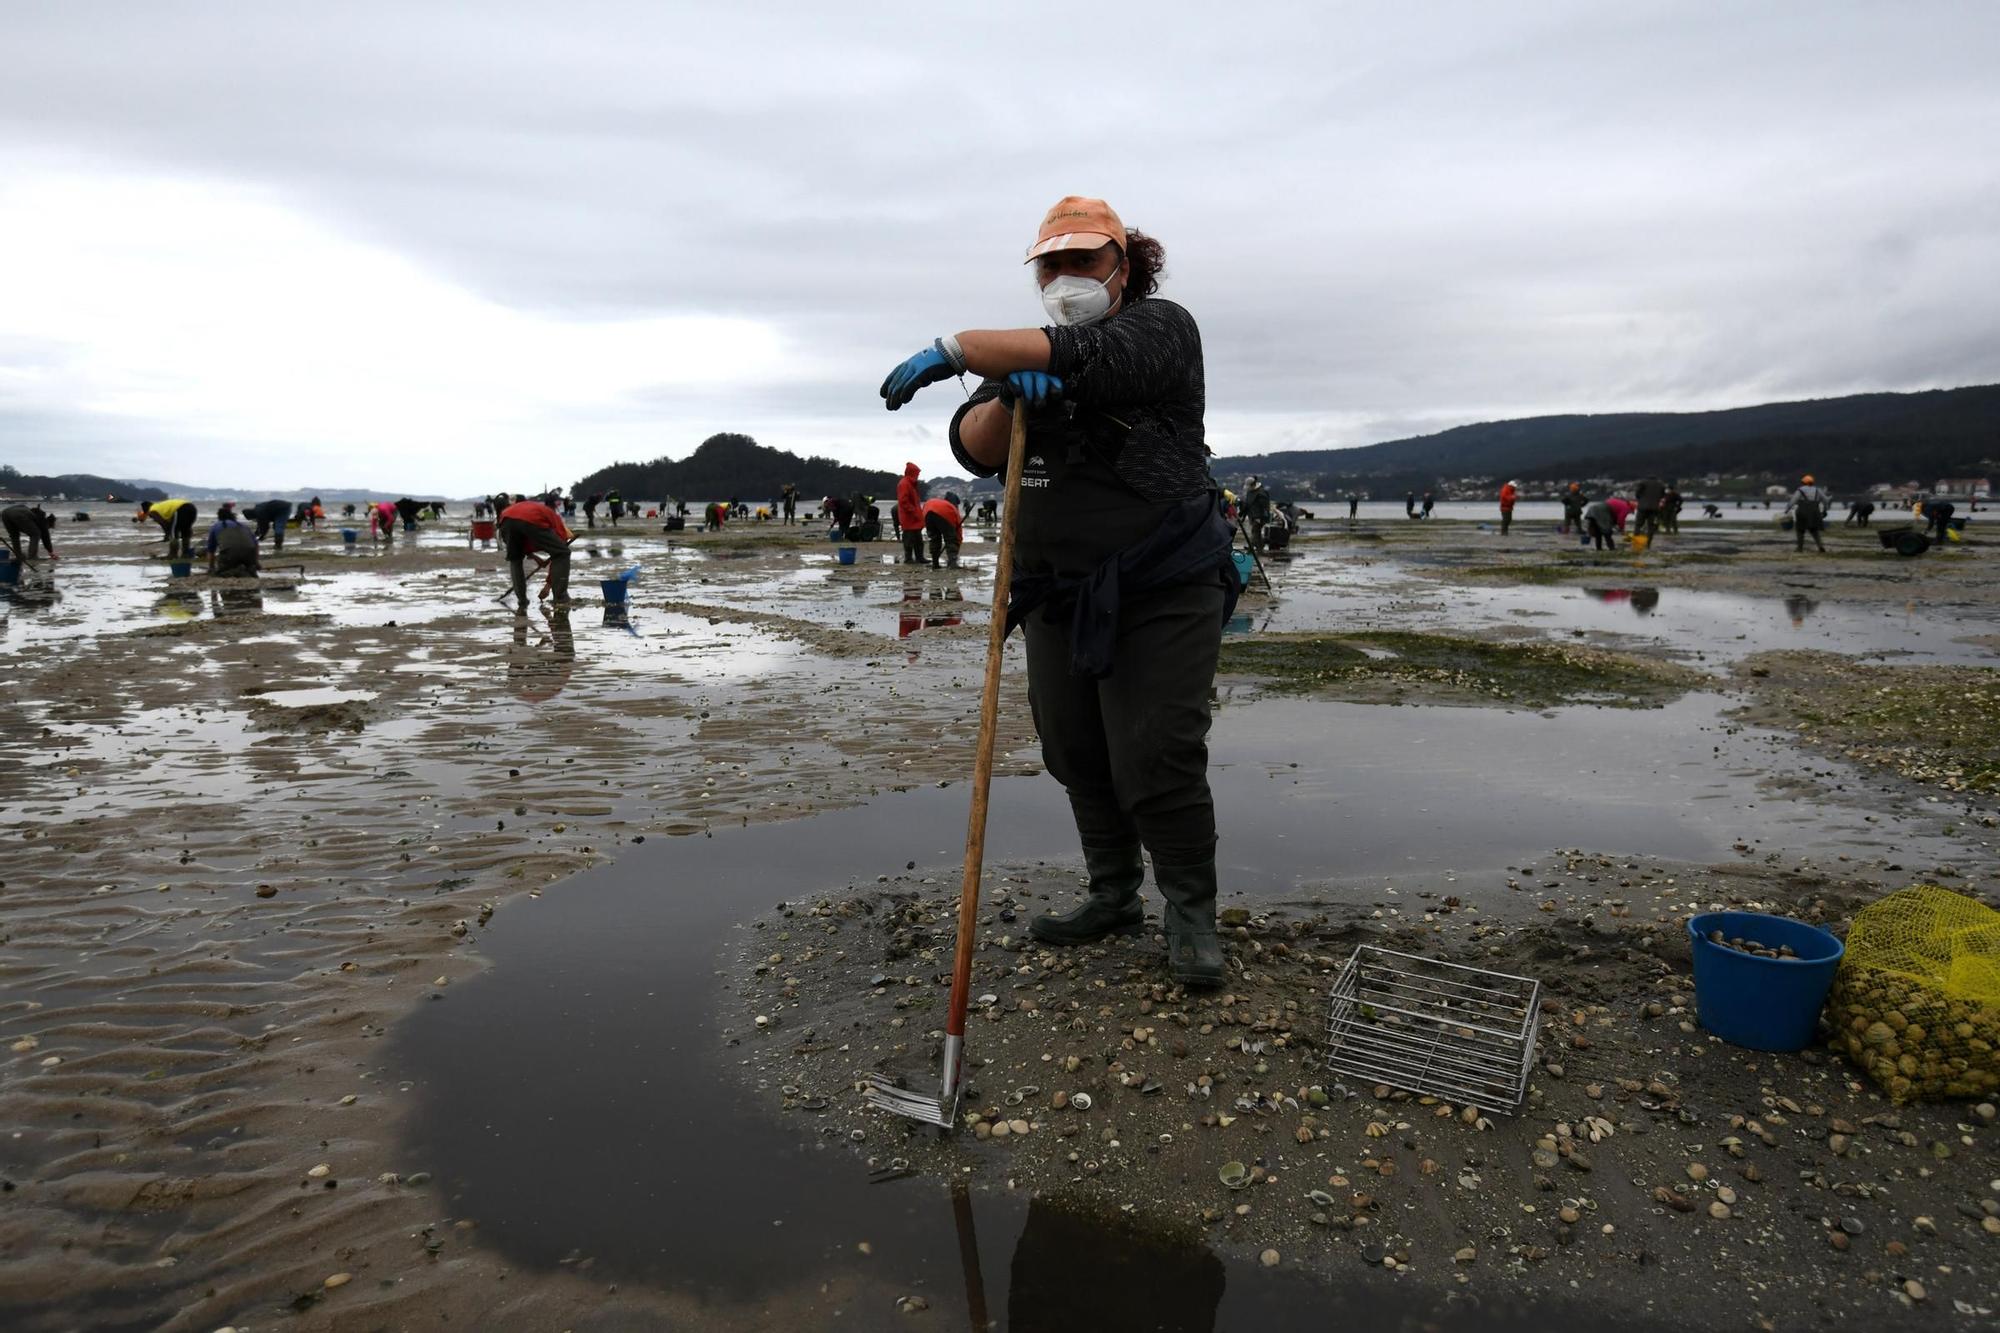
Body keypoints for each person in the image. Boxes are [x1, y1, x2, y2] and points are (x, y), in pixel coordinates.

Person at [879, 194, 1236, 987]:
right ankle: (1113, 893)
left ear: (1124, 266)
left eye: (1085, 261)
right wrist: (1008, 397)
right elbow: (969, 447)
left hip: (1165, 580)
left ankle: (1191, 912)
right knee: (1075, 749)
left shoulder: (1162, 328)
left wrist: (960, 346)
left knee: (1158, 753)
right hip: (1056, 591)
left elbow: (1094, 360)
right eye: (1055, 264)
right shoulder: (1027, 357)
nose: (1068, 276)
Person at [497, 496, 573, 608]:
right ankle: (561, 598)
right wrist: (548, 586)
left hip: (506, 518)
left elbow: (521, 546)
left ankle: (522, 600)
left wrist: (536, 558)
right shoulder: (558, 524)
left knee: (515, 560)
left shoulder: (541, 511)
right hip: (531, 518)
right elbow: (559, 554)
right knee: (563, 553)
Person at [205, 508, 259, 576]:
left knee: (223, 570)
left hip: (230, 554)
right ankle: (248, 569)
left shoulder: (216, 526)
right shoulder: (243, 526)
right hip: (250, 554)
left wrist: (211, 567)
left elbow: (211, 551)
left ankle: (235, 571)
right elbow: (256, 544)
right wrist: (256, 562)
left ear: (219, 517)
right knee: (247, 566)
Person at [921, 490, 964, 568]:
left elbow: (923, 516)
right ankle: (952, 563)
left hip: (928, 511)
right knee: (950, 539)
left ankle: (935, 563)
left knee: (934, 539)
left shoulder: (940, 502)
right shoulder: (952, 508)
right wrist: (958, 541)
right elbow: (958, 531)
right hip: (943, 512)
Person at [1788, 474, 1828, 553]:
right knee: (1814, 530)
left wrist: (1787, 509)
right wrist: (1825, 510)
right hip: (1815, 512)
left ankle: (1799, 548)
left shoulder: (1800, 490)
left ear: (1803, 482)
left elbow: (1793, 500)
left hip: (1802, 512)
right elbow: (1826, 500)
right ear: (1812, 482)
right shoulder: (1818, 490)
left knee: (1800, 530)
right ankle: (1820, 547)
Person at [895, 462, 926, 563]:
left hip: (914, 517)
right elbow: (903, 501)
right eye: (917, 473)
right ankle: (908, 558)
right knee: (909, 539)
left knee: (918, 540)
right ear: (912, 473)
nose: (918, 475)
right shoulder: (904, 484)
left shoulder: (911, 484)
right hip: (909, 518)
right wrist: (914, 512)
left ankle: (919, 557)